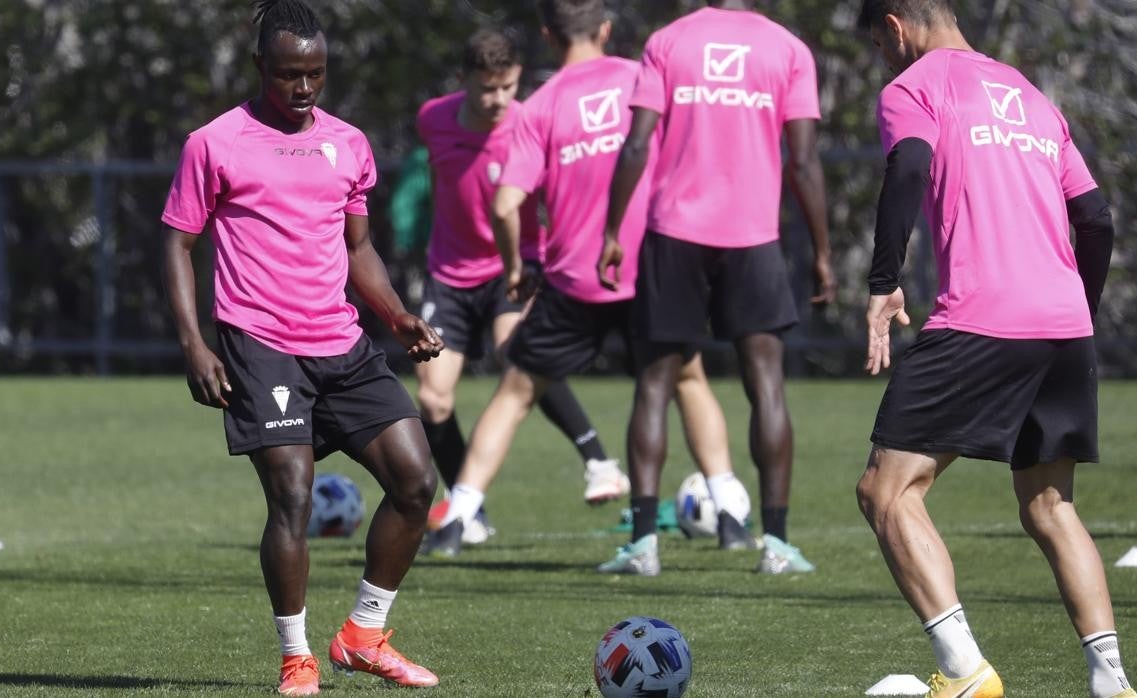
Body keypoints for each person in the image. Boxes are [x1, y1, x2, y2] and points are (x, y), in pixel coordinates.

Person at [852, 2, 1137, 697]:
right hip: (1064, 324)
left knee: (887, 490)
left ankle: (964, 671)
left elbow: (909, 167)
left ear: (895, 26)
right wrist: (1076, 310)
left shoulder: (915, 86)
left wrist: (884, 281)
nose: (883, 60)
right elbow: (1096, 219)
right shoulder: (1032, 97)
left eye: (879, 46)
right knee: (1050, 506)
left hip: (982, 317)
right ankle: (1113, 683)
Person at [161, 1, 442, 693]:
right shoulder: (215, 142)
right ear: (261, 66)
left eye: (316, 73)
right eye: (290, 74)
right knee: (293, 496)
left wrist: (396, 316)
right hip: (260, 344)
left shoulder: (348, 142)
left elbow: (359, 248)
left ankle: (363, 637)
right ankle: (297, 657)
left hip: (341, 342)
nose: (305, 87)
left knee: (416, 483)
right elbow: (177, 244)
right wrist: (195, 343)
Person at [423, 0, 758, 565]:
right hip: (648, 264)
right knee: (688, 379)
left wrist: (513, 268)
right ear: (605, 29)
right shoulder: (642, 77)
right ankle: (731, 515)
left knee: (516, 391)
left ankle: (457, 520)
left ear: (548, 36)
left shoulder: (539, 107)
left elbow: (505, 205)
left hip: (575, 275)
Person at [598, 0, 837, 575]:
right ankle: (777, 546)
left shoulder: (668, 41)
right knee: (766, 383)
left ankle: (643, 547)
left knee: (654, 385)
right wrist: (823, 252)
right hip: (752, 237)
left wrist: (611, 232)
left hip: (673, 234)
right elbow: (804, 161)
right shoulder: (788, 49)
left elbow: (636, 145)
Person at [414, 29, 625, 545]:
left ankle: (597, 460)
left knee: (520, 355)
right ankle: (469, 510)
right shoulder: (432, 118)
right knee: (434, 399)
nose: (499, 99)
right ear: (464, 80)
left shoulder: (531, 122)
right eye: (487, 88)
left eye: (508, 87)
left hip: (516, 267)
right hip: (449, 273)